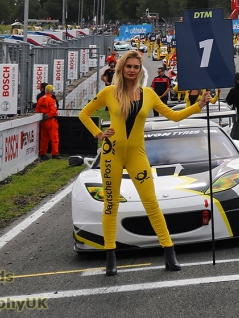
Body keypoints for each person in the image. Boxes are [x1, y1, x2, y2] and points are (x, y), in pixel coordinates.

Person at [78, 50, 209, 276]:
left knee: (151, 203)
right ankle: (111, 256)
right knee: (111, 205)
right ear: (121, 69)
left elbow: (173, 116)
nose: (131, 70)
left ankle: (169, 252)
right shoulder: (109, 92)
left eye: (136, 67)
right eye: (128, 66)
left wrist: (199, 106)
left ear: (140, 70)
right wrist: (99, 134)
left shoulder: (148, 94)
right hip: (111, 155)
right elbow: (84, 114)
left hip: (138, 155)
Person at [35, 84, 60, 160]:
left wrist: (42, 117)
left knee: (44, 139)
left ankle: (42, 153)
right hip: (51, 120)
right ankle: (55, 154)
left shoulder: (40, 99)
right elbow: (53, 111)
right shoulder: (51, 100)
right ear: (51, 91)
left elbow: (37, 110)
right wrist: (47, 116)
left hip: (43, 121)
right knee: (54, 138)